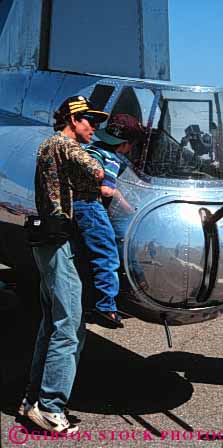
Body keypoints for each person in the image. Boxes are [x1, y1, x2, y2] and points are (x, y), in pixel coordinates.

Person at [18, 95, 108, 432]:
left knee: (52, 324)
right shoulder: (62, 144)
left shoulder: (49, 148)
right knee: (70, 325)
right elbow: (96, 170)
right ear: (73, 119)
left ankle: (32, 401)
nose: (93, 127)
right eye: (88, 121)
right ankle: (52, 407)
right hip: (57, 242)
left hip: (47, 242)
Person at [73, 113, 145, 327]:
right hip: (91, 207)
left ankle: (88, 301)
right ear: (124, 144)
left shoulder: (90, 149)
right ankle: (106, 307)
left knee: (88, 255)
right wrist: (129, 209)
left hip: (76, 205)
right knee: (108, 255)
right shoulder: (111, 157)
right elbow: (107, 190)